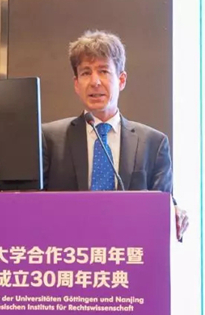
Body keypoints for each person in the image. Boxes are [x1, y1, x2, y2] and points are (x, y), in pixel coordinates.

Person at [42, 30, 189, 240]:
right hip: (68, 250)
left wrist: (173, 211)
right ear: (76, 84)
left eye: (103, 71)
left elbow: (163, 205)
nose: (95, 82)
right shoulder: (49, 139)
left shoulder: (153, 143)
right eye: (86, 73)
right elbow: (31, 206)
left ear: (121, 80)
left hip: (129, 251)